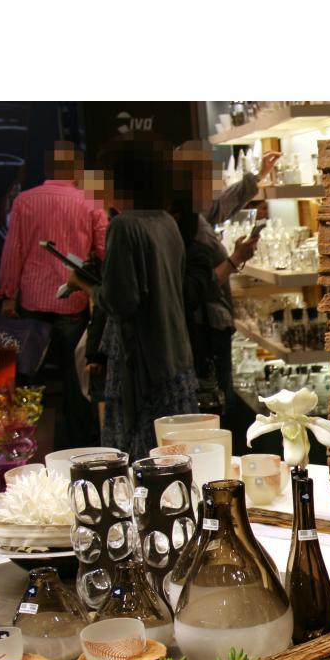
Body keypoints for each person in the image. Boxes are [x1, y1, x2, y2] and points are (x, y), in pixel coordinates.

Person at [94, 137, 198, 461]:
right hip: (175, 359)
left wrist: (88, 287)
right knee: (175, 457)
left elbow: (121, 302)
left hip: (140, 364)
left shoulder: (123, 226)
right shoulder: (167, 222)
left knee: (138, 458)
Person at [0, 141, 106, 448]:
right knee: (76, 379)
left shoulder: (25, 201)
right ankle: (80, 447)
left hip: (33, 303)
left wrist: (8, 293)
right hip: (73, 300)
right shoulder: (91, 202)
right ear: (77, 169)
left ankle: (30, 444)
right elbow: (105, 250)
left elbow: (14, 250)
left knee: (32, 377)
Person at [173, 142, 278, 434]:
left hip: (210, 327)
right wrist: (235, 259)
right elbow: (197, 287)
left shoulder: (191, 213)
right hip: (203, 331)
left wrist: (257, 177)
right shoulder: (182, 223)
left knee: (217, 403)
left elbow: (219, 207)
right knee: (215, 407)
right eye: (209, 174)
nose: (215, 181)